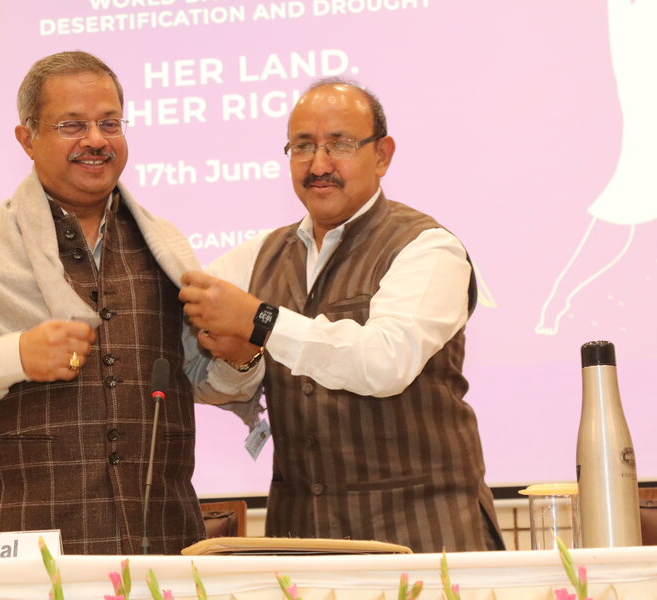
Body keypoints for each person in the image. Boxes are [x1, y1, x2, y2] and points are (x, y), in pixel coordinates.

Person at [0, 51, 218, 554]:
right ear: (27, 139)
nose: (96, 140)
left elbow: (206, 378)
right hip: (17, 556)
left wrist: (241, 351)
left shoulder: (166, 246)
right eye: (72, 125)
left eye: (110, 123)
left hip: (161, 550)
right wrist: (14, 356)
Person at [180, 78, 505, 553]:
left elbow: (386, 361)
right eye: (302, 147)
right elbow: (192, 343)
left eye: (340, 144)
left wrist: (261, 321)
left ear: (382, 155)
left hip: (425, 537)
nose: (319, 165)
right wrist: (239, 360)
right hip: (302, 544)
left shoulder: (428, 248)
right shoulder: (257, 256)